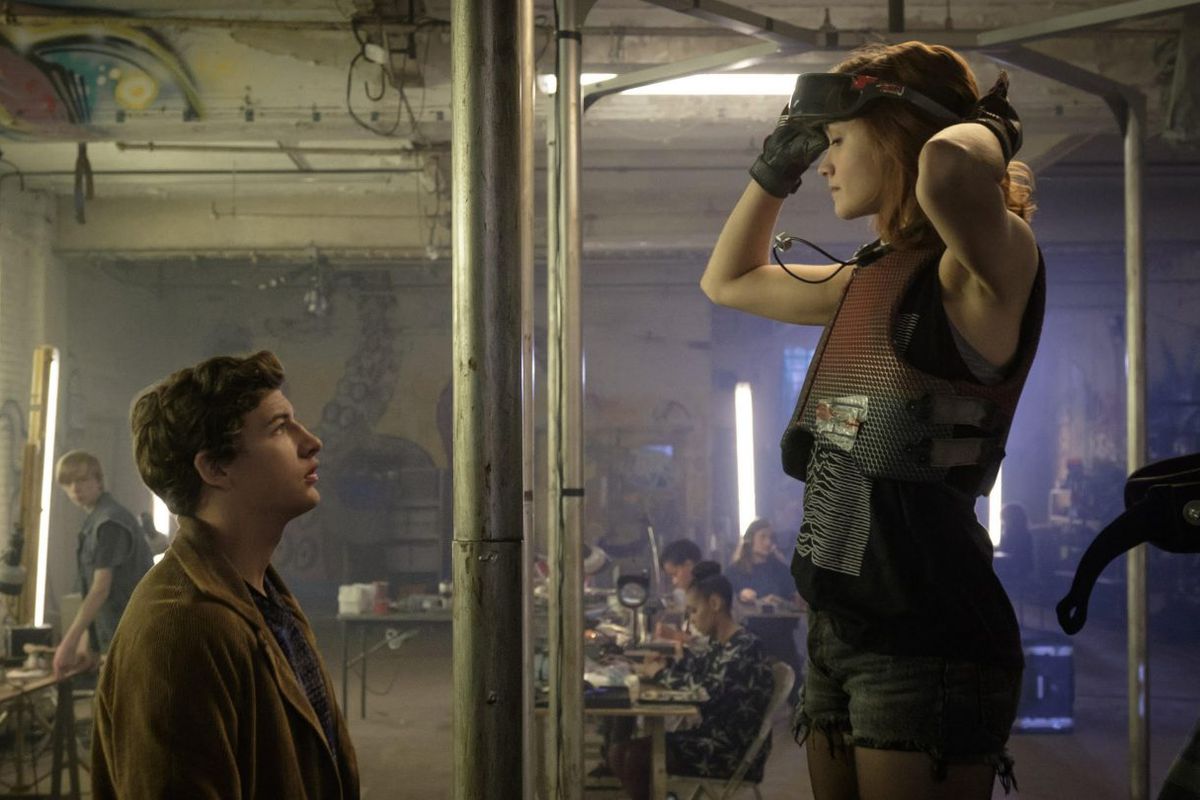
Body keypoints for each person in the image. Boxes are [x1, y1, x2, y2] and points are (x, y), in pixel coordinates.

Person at [701, 41, 1043, 799]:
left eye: (837, 141)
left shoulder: (982, 269)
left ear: (897, 136)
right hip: (838, 630)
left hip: (930, 639)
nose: (823, 164)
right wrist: (774, 169)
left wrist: (990, 126)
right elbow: (727, 280)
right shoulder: (870, 279)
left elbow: (947, 168)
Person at [91, 351, 359, 799]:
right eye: (279, 427)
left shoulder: (261, 595)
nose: (312, 442)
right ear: (216, 468)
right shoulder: (181, 629)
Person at [608, 561, 774, 800]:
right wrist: (667, 664)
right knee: (618, 753)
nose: (691, 619)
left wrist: (659, 674)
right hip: (708, 738)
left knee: (635, 756)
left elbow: (706, 692)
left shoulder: (745, 647)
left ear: (715, 604)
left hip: (729, 750)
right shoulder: (722, 644)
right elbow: (698, 669)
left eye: (694, 611)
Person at [52, 450, 153, 678]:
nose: (75, 488)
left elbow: (100, 589)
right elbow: (97, 596)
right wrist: (88, 643)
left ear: (98, 480)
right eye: (68, 482)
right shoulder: (95, 521)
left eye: (82, 480)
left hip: (132, 636)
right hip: (116, 636)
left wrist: (69, 643)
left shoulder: (109, 523)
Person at [729, 519, 804, 702]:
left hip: (780, 635)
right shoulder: (736, 571)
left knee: (794, 686)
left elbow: (797, 600)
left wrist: (780, 602)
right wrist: (741, 596)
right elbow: (726, 600)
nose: (768, 542)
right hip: (750, 634)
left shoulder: (780, 570)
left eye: (771, 538)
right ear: (750, 539)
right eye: (763, 537)